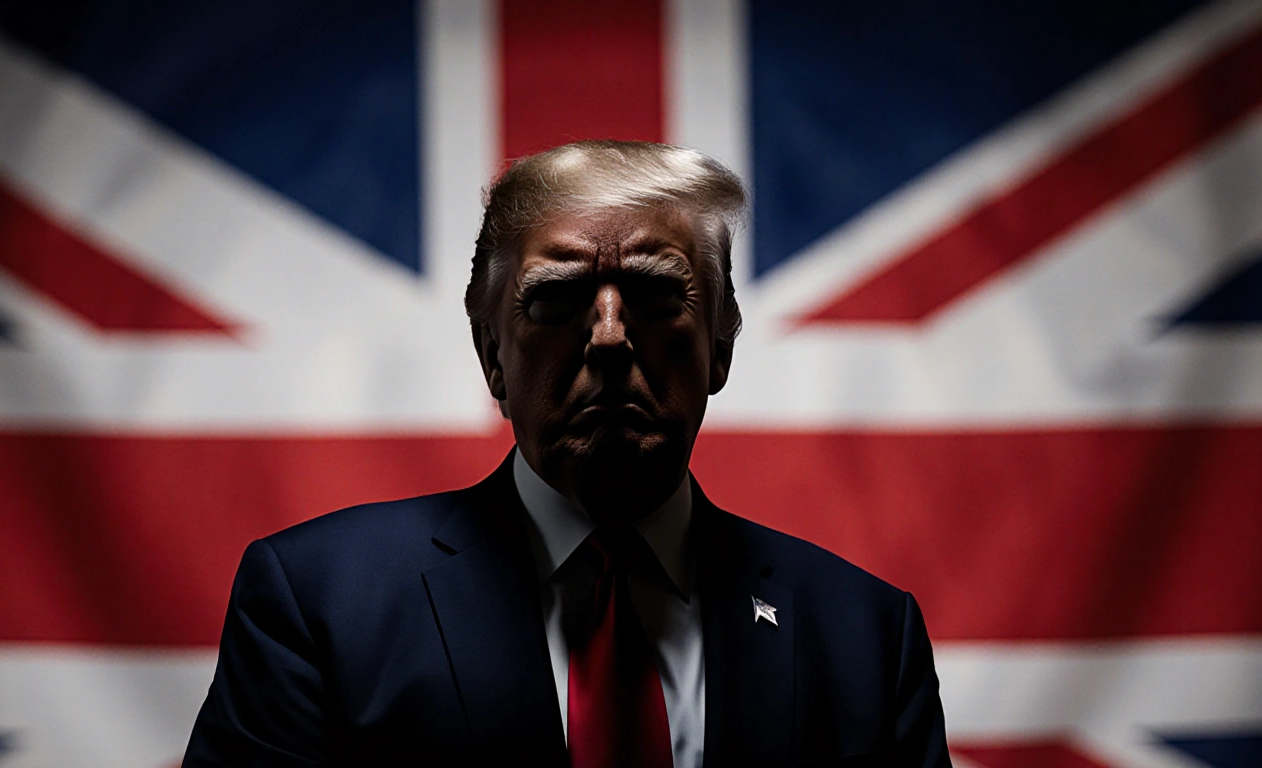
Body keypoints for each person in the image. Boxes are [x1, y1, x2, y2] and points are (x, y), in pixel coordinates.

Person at [183, 140, 951, 767]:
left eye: (654, 294)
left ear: (719, 346)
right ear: (492, 354)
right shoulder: (317, 605)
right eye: (555, 299)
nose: (610, 337)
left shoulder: (865, 637)